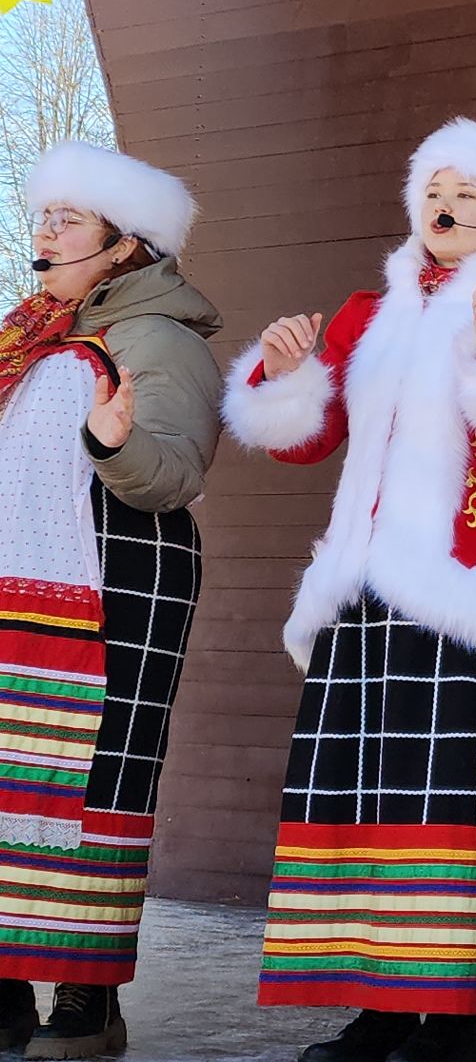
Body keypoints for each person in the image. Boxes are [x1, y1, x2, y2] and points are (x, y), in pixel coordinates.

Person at [222, 118, 476, 1062]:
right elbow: (306, 437)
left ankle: (452, 1026)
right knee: (364, 806)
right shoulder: (365, 311)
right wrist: (283, 370)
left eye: (469, 194)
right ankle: (378, 1010)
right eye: (436, 187)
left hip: (470, 595)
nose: (445, 205)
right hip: (362, 595)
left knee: (454, 810)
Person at [0, 142, 220, 1060]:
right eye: (44, 215)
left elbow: (171, 474)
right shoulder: (28, 333)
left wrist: (112, 441)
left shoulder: (156, 337)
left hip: (119, 579)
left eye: (68, 218)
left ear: (125, 245)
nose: (45, 231)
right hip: (20, 587)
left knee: (98, 780)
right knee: (9, 783)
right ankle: (7, 985)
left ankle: (87, 1000)